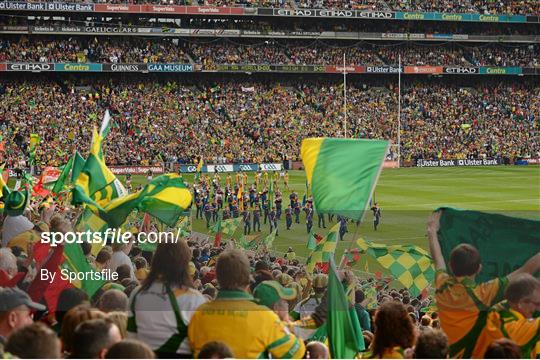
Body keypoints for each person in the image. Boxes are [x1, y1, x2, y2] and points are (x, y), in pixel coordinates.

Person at [427, 210, 540, 358]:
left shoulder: (442, 286)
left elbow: (438, 259)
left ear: (451, 265)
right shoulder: (483, 294)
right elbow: (525, 270)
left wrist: (432, 231)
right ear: (479, 268)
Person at [188, 249, 305, 358]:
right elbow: (297, 352)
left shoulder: (198, 314)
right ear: (248, 279)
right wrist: (285, 321)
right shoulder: (265, 317)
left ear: (217, 277)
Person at [128, 241, 207, 358]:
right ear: (184, 263)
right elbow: (201, 346)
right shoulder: (195, 299)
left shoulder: (138, 293)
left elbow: (130, 338)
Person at [485, 274, 540, 358]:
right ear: (521, 302)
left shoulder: (510, 306)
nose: (538, 309)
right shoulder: (508, 324)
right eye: (537, 304)